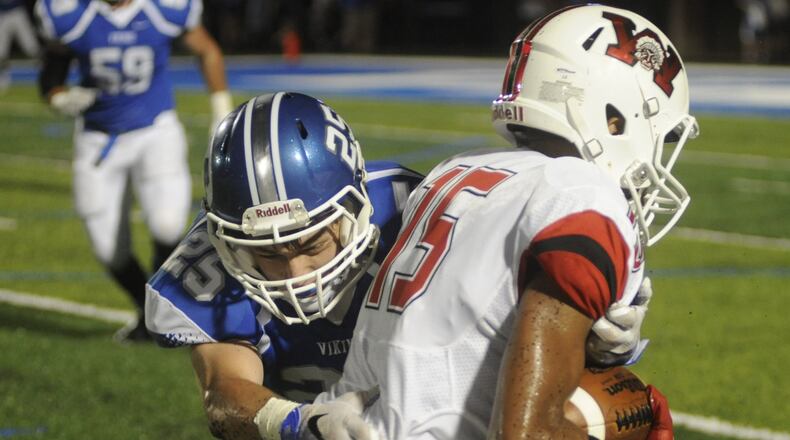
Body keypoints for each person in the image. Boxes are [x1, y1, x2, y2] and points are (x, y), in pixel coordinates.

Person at [317, 4, 697, 439]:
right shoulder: (583, 196)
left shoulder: (454, 171)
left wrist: (591, 347)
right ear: (613, 119)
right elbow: (527, 433)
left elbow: (467, 335)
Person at [145, 92, 425, 440]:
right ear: (230, 243)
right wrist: (301, 423)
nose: (298, 274)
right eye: (270, 254)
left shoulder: (413, 215)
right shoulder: (213, 264)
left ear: (355, 210)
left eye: (312, 244)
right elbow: (224, 391)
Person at [34, 0, 232, 341]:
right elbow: (53, 67)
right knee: (109, 250)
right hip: (98, 141)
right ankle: (149, 312)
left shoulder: (160, 8)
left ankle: (171, 312)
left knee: (168, 224)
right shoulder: (71, 13)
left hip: (154, 130)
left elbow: (207, 50)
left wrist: (220, 109)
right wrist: (58, 97)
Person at [0, 0, 40, 90]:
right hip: (2, 14)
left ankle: (45, 74)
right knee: (1, 51)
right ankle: (2, 78)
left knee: (31, 46)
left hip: (17, 12)